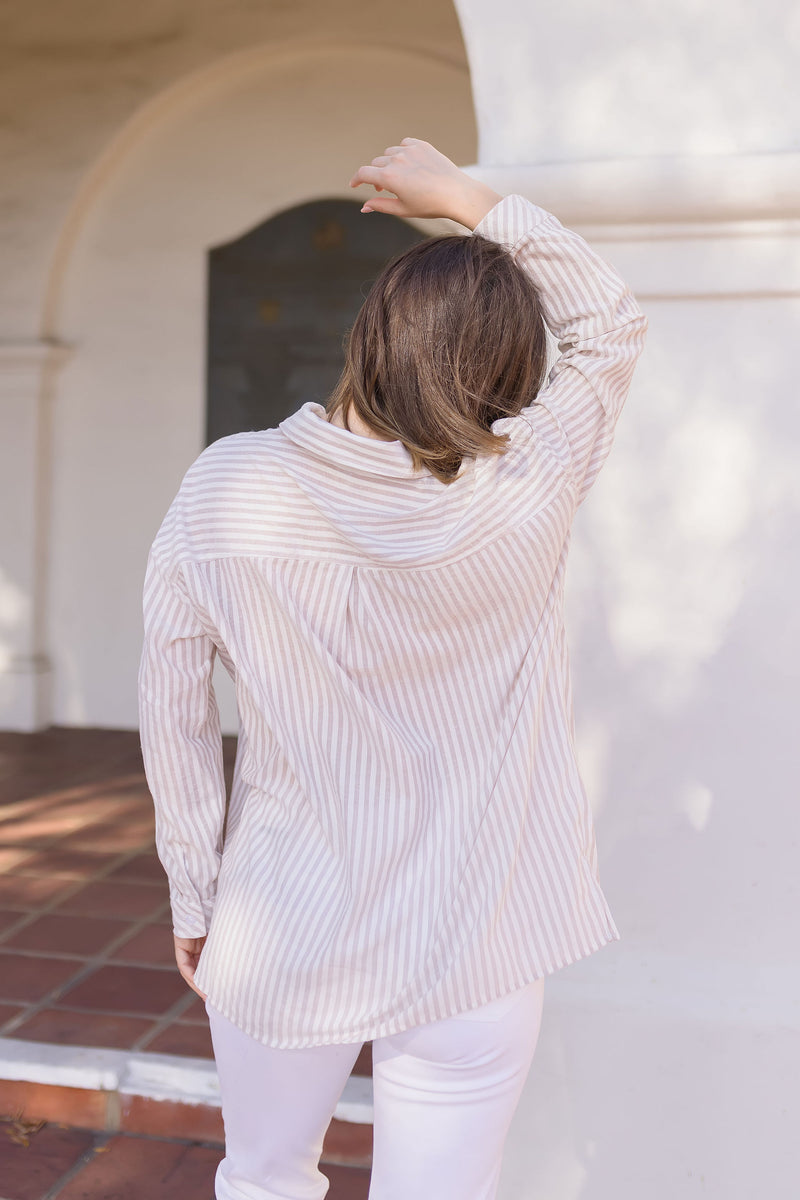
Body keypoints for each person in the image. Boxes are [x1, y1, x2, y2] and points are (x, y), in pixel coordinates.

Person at [138, 137, 647, 1200]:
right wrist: (464, 198)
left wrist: (194, 890)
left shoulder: (226, 484)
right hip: (477, 931)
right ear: (509, 371)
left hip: (285, 919)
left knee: (263, 1181)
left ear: (367, 336)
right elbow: (608, 321)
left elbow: (174, 708)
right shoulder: (530, 481)